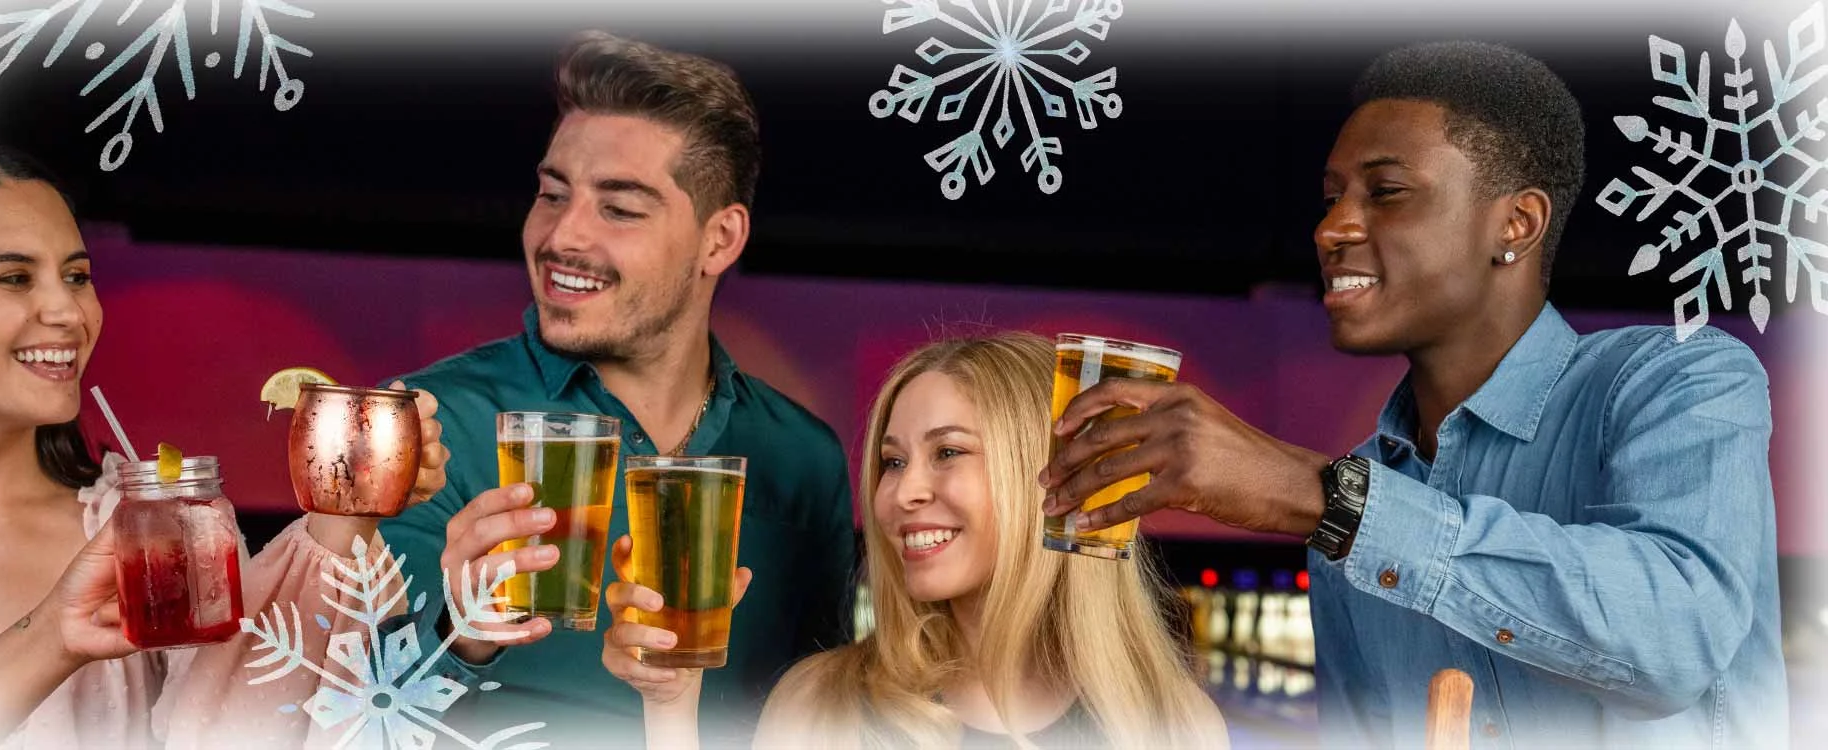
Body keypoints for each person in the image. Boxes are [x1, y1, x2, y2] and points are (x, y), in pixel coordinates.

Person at [1039, 41, 1786, 748]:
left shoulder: (1677, 380)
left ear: (1517, 225)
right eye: (1330, 199)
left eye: (1387, 193)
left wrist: (1327, 498)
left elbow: (1677, 639)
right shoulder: (1350, 516)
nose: (1332, 228)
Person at [379, 31, 855, 747]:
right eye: (551, 194)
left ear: (719, 240)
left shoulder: (803, 459)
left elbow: (824, 712)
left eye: (620, 208)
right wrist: (462, 631)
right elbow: (342, 705)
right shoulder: (431, 424)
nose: (562, 235)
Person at [0, 139, 452, 748]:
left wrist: (346, 515)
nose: (68, 310)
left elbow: (238, 719)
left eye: (77, 276)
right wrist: (52, 636)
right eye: (14, 277)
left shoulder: (142, 522)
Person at [601, 332, 1228, 749]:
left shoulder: (1177, 727)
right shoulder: (820, 706)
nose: (901, 495)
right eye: (893, 462)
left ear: (1052, 474)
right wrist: (673, 709)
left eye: (948, 452)